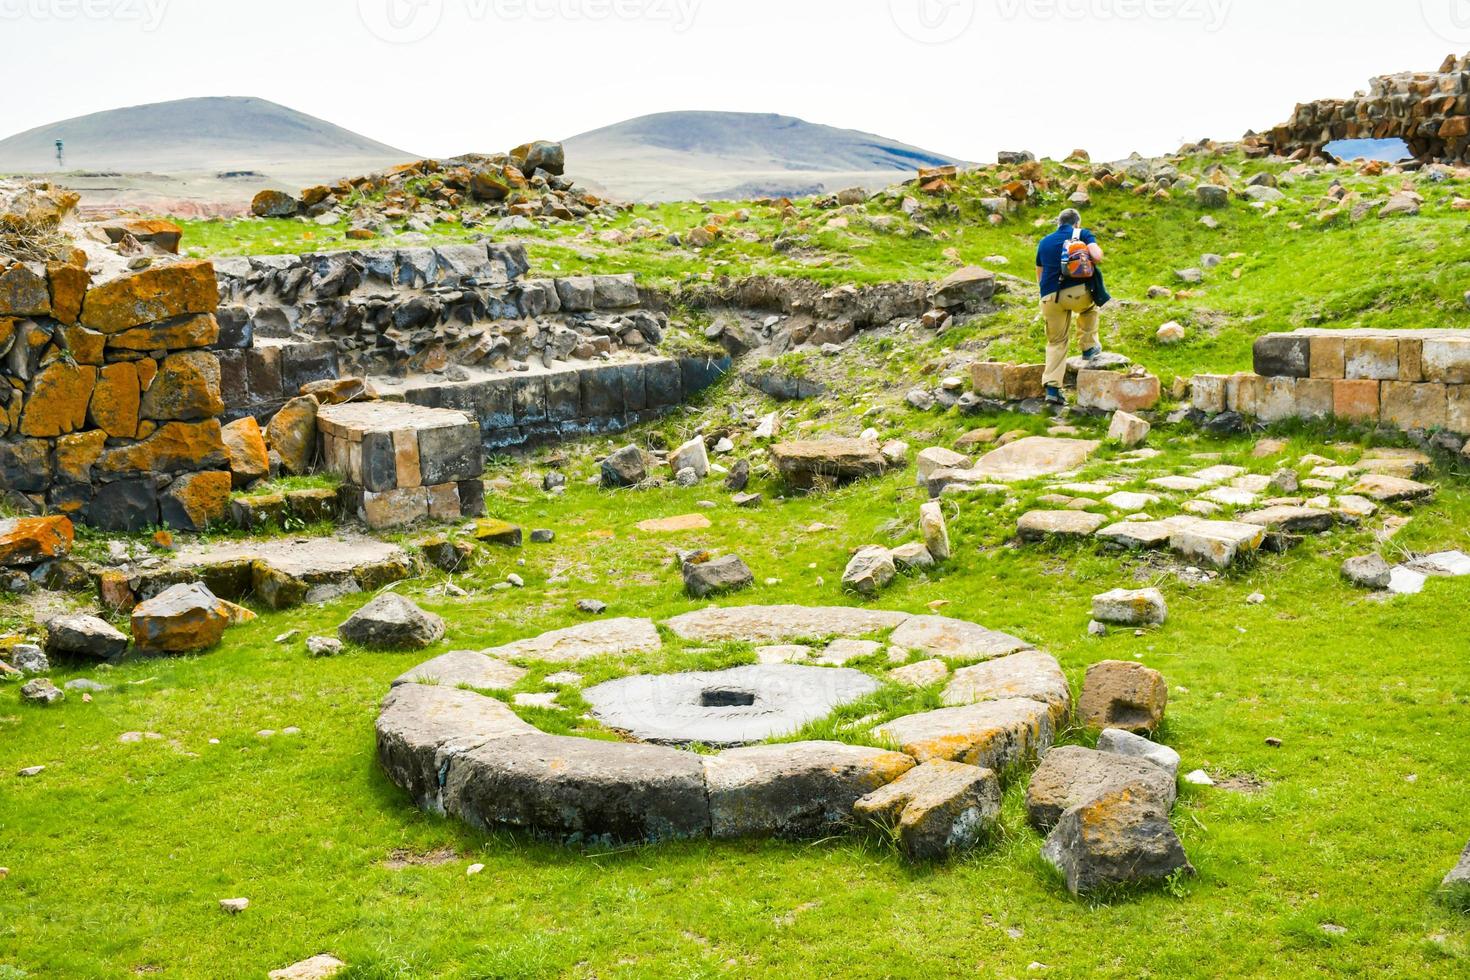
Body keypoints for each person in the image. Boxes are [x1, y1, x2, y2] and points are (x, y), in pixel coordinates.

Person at [1035, 208, 1111, 405]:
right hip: (1076, 292)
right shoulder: (1082, 234)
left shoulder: (1044, 242)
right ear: (1077, 223)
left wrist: (1047, 295)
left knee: (1056, 342)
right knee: (1090, 307)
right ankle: (1089, 347)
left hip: (1049, 297)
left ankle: (1052, 389)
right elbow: (1097, 255)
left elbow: (1039, 274)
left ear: (1058, 223)